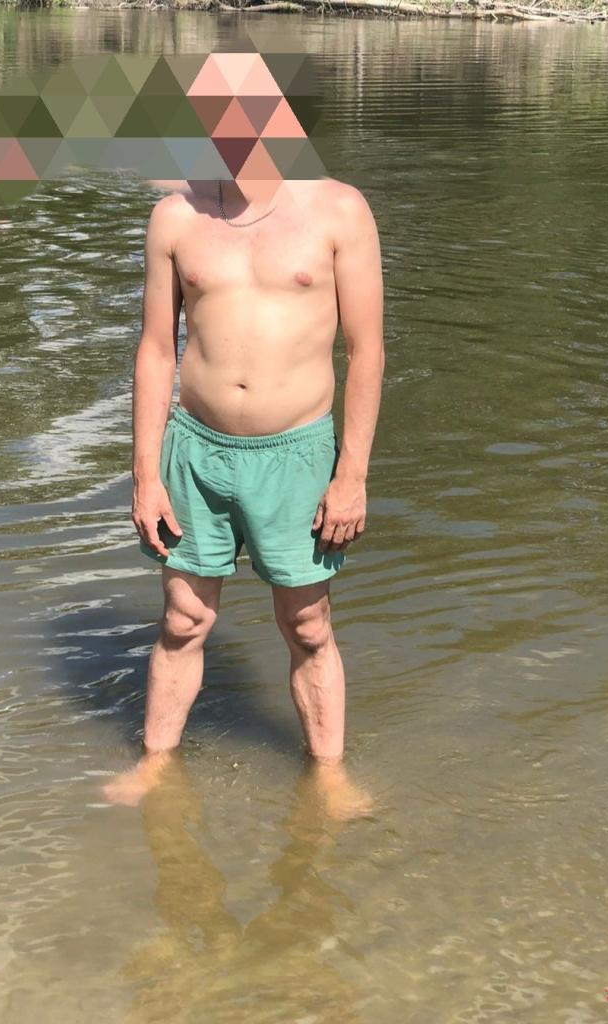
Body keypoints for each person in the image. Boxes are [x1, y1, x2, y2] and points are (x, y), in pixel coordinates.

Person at [104, 148, 384, 809]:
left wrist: (352, 474)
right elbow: (155, 349)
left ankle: (328, 776)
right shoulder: (176, 216)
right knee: (183, 620)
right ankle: (155, 765)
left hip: (297, 454)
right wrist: (145, 473)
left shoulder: (339, 209)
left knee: (307, 623)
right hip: (195, 451)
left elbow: (366, 350)